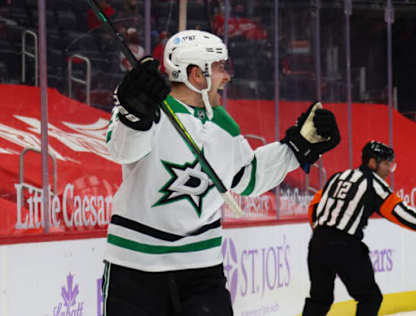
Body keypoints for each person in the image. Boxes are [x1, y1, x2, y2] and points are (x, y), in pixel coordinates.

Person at [102, 29, 341, 316]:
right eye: (219, 67)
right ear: (195, 75)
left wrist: (297, 147)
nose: (227, 76)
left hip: (202, 273)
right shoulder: (148, 109)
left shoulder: (223, 124)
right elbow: (122, 151)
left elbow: (247, 176)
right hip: (134, 272)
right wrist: (134, 112)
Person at [303, 140, 416, 316]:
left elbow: (314, 206)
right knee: (370, 297)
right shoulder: (373, 183)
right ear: (372, 162)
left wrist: (321, 233)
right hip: (345, 246)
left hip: (317, 244)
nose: (388, 170)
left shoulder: (337, 177)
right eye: (386, 164)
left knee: (319, 300)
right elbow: (400, 212)